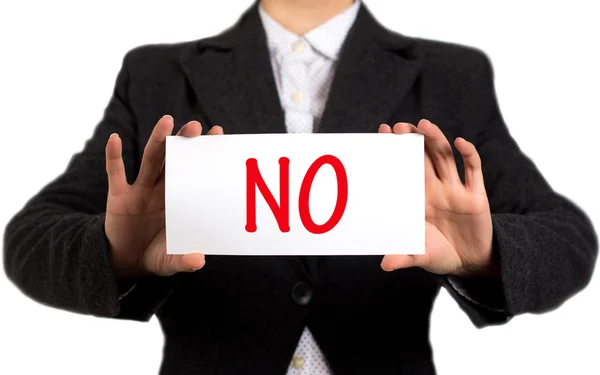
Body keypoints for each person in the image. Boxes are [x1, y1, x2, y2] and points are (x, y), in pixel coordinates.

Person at [3, 0, 597, 374]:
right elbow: (29, 240)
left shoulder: (451, 75)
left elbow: (566, 239)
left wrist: (488, 254)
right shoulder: (156, 72)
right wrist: (115, 257)